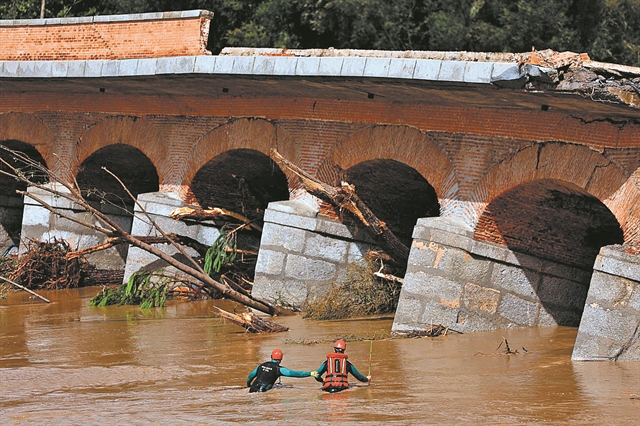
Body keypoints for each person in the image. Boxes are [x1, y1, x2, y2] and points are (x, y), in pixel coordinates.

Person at [246, 349, 319, 392]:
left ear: (271, 357)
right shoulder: (279, 369)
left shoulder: (261, 365)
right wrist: (310, 373)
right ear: (281, 359)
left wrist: (248, 385)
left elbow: (250, 376)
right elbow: (294, 374)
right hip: (263, 391)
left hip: (252, 389)